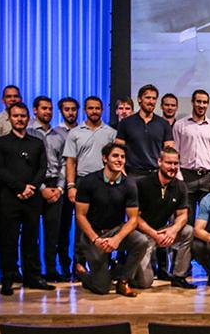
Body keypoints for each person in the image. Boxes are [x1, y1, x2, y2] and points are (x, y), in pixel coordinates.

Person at [0, 102, 53, 295]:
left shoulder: (36, 142)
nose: (20, 119)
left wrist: (31, 187)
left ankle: (33, 277)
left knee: (31, 240)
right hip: (9, 198)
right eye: (16, 116)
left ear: (28, 118)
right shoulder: (1, 143)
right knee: (8, 240)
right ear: (9, 118)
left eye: (23, 116)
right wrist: (20, 187)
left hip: (32, 198)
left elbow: (42, 168)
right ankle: (8, 279)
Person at [74, 142, 143, 297]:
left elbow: (133, 219)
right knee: (102, 288)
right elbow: (80, 215)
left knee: (141, 241)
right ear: (105, 159)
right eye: (115, 156)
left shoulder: (129, 184)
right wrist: (96, 239)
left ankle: (122, 280)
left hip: (115, 231)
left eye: (123, 157)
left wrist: (117, 239)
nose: (120, 160)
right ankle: (83, 274)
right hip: (93, 234)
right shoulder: (88, 182)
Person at [64, 96, 117, 275]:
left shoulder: (110, 133)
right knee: (81, 225)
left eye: (97, 108)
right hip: (83, 181)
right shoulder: (75, 133)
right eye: (90, 108)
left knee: (105, 225)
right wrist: (71, 186)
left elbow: (116, 159)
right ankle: (79, 265)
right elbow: (70, 162)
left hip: (105, 183)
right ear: (85, 110)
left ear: (102, 110)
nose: (94, 111)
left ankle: (103, 265)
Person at [132, 147, 195, 289]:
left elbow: (183, 215)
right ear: (159, 162)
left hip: (163, 231)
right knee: (145, 283)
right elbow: (135, 217)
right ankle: (126, 267)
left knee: (188, 231)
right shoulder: (142, 184)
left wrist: (173, 230)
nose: (172, 167)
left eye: (175, 163)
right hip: (142, 235)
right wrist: (154, 234)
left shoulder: (180, 186)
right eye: (168, 163)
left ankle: (179, 276)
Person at [27, 95, 67, 282]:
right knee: (31, 233)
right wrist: (40, 188)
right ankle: (33, 272)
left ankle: (51, 270)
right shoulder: (28, 133)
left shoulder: (58, 136)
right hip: (34, 187)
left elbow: (64, 164)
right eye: (44, 108)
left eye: (50, 109)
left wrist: (59, 188)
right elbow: (27, 166)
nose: (48, 112)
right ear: (35, 110)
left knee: (53, 233)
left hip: (55, 186)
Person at [171, 89, 210, 223]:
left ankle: (203, 244)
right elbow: (174, 154)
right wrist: (179, 178)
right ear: (192, 102)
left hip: (208, 177)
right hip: (186, 176)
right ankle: (186, 244)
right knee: (185, 219)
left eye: (205, 102)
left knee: (208, 220)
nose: (201, 105)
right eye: (199, 101)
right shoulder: (180, 125)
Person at [115, 84, 174, 178]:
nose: (151, 101)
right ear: (139, 99)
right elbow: (118, 148)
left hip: (156, 175)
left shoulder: (164, 124)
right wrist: (120, 168)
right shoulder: (126, 123)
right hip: (132, 175)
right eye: (148, 98)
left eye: (154, 98)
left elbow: (169, 151)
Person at [54, 96, 80, 279]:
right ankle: (63, 264)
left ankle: (80, 265)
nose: (70, 112)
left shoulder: (83, 131)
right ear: (61, 111)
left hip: (83, 183)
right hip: (63, 185)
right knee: (62, 228)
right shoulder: (56, 133)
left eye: (73, 109)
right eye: (67, 109)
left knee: (82, 228)